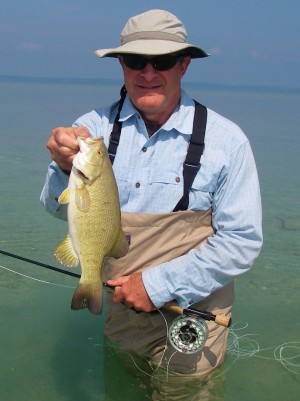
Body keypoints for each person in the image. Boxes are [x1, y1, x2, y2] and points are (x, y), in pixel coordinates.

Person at [41, 9, 263, 400]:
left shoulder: (227, 141)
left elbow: (242, 241)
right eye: (134, 60)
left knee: (184, 391)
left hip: (194, 316)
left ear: (183, 64)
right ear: (120, 65)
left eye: (161, 61)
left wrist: (157, 285)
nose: (147, 72)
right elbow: (57, 207)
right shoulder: (89, 131)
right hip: (121, 312)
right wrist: (62, 166)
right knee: (122, 387)